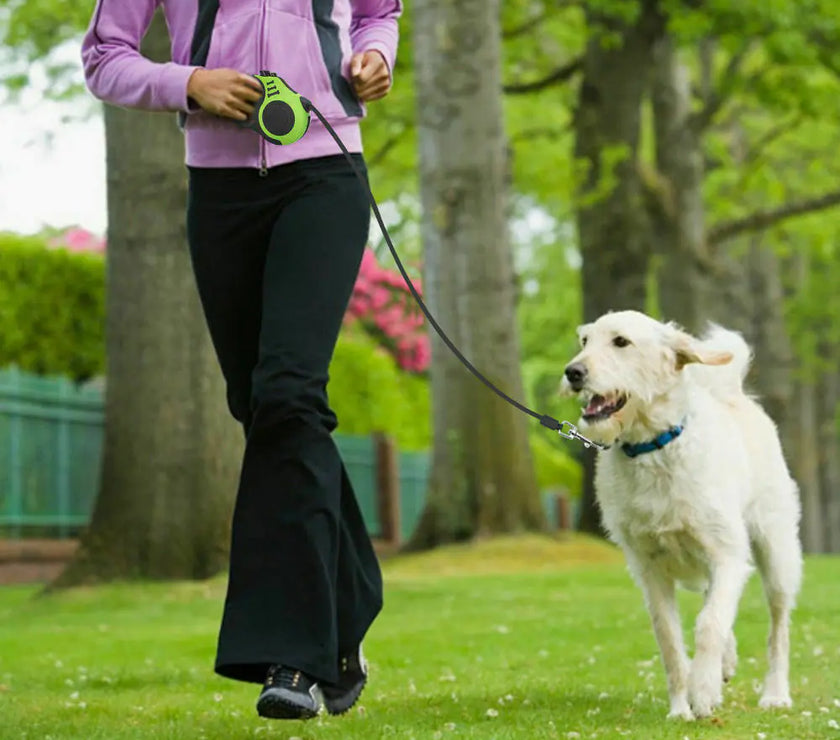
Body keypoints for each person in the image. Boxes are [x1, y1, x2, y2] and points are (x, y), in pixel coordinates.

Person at [80, 0, 402, 721]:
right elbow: (105, 56)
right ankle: (346, 615)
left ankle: (292, 660)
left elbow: (379, 12)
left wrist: (377, 57)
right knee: (265, 408)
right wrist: (189, 82)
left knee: (289, 393)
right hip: (220, 193)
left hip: (326, 171)